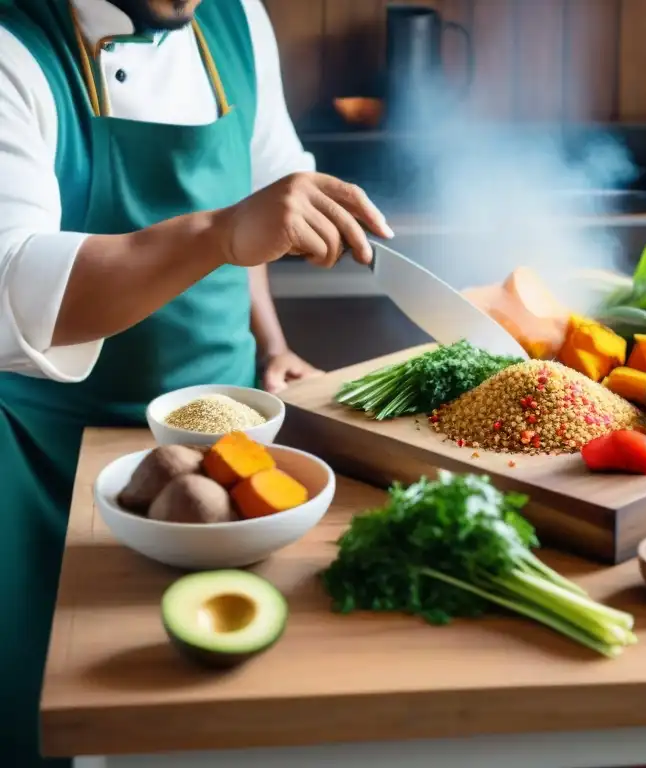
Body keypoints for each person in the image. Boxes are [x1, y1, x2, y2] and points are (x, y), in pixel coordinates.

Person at [0, 0, 394, 763]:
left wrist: (272, 345)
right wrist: (218, 233)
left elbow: (266, 203)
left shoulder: (236, 19)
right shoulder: (15, 46)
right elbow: (18, 290)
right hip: (52, 461)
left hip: (235, 459)